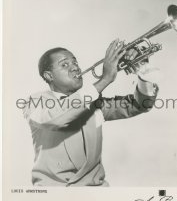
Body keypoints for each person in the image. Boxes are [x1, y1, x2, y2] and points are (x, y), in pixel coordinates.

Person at [23, 39, 159, 186]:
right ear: (49, 76)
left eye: (75, 63)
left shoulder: (95, 104)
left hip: (96, 193)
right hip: (52, 194)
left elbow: (140, 105)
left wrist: (144, 70)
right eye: (64, 65)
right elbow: (55, 118)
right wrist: (105, 79)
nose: (75, 68)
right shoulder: (35, 102)